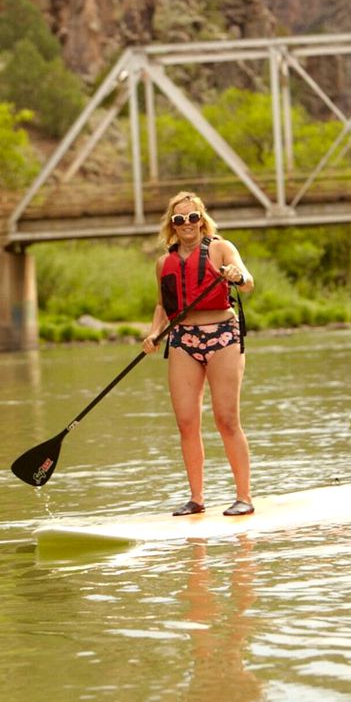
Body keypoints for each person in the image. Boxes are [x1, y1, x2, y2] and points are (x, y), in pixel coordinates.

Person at [142, 191, 255, 516]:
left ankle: (244, 497)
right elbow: (163, 305)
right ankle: (196, 498)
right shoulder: (164, 262)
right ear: (172, 225)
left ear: (201, 219)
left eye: (193, 217)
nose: (187, 224)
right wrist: (153, 333)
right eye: (180, 219)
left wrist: (238, 276)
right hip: (182, 339)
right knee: (187, 422)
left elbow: (247, 283)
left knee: (226, 419)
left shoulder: (221, 247)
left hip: (223, 337)